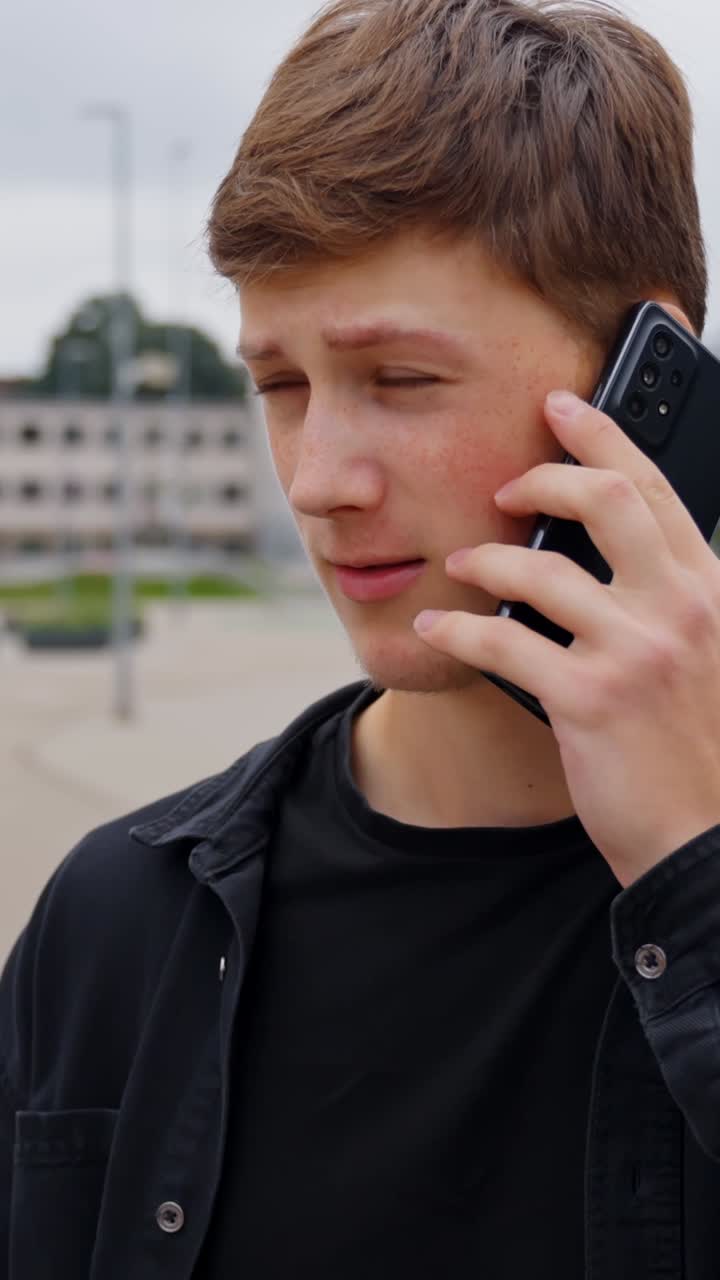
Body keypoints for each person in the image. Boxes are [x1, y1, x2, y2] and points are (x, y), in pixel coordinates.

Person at [3, 0, 720, 1275]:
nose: (319, 478)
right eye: (279, 385)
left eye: (400, 379)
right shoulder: (115, 920)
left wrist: (700, 882)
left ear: (640, 373)